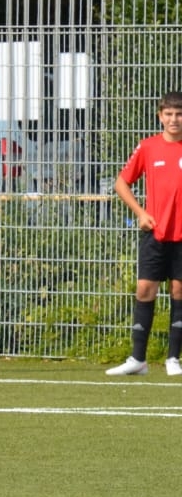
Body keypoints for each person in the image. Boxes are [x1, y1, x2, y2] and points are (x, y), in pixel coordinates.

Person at [106, 91, 182, 377]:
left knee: (179, 291)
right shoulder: (148, 147)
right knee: (144, 290)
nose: (174, 119)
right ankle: (138, 359)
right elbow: (121, 183)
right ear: (160, 116)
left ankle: (173, 359)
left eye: (179, 114)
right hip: (156, 232)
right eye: (169, 114)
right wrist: (140, 212)